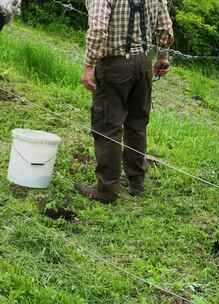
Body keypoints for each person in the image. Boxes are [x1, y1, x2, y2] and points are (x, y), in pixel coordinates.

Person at [75, 0, 174, 203]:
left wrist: (88, 65)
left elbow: (98, 28)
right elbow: (164, 27)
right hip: (143, 63)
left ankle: (106, 189)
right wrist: (162, 56)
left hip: (115, 64)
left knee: (107, 126)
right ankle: (136, 181)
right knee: (137, 123)